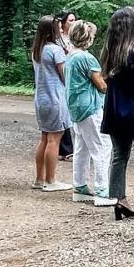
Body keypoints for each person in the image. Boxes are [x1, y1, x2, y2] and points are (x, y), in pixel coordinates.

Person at [100, 6, 134, 220]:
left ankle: (119, 200)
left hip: (114, 111)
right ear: (132, 26)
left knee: (119, 156)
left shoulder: (109, 53)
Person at [65, 20, 114, 206]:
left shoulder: (70, 56)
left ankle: (80, 186)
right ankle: (102, 190)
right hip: (90, 107)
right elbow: (101, 85)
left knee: (82, 147)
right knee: (102, 146)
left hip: (76, 107)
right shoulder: (87, 58)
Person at [31, 15, 72, 192]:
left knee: (44, 138)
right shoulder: (55, 50)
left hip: (41, 98)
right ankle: (51, 180)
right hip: (56, 98)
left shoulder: (37, 50)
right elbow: (65, 76)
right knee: (54, 140)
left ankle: (39, 178)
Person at [55, 11, 77, 161]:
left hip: (72, 78)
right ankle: (66, 148)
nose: (74, 23)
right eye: (71, 20)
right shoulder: (58, 41)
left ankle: (64, 148)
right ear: (63, 23)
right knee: (63, 114)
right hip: (62, 79)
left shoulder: (74, 38)